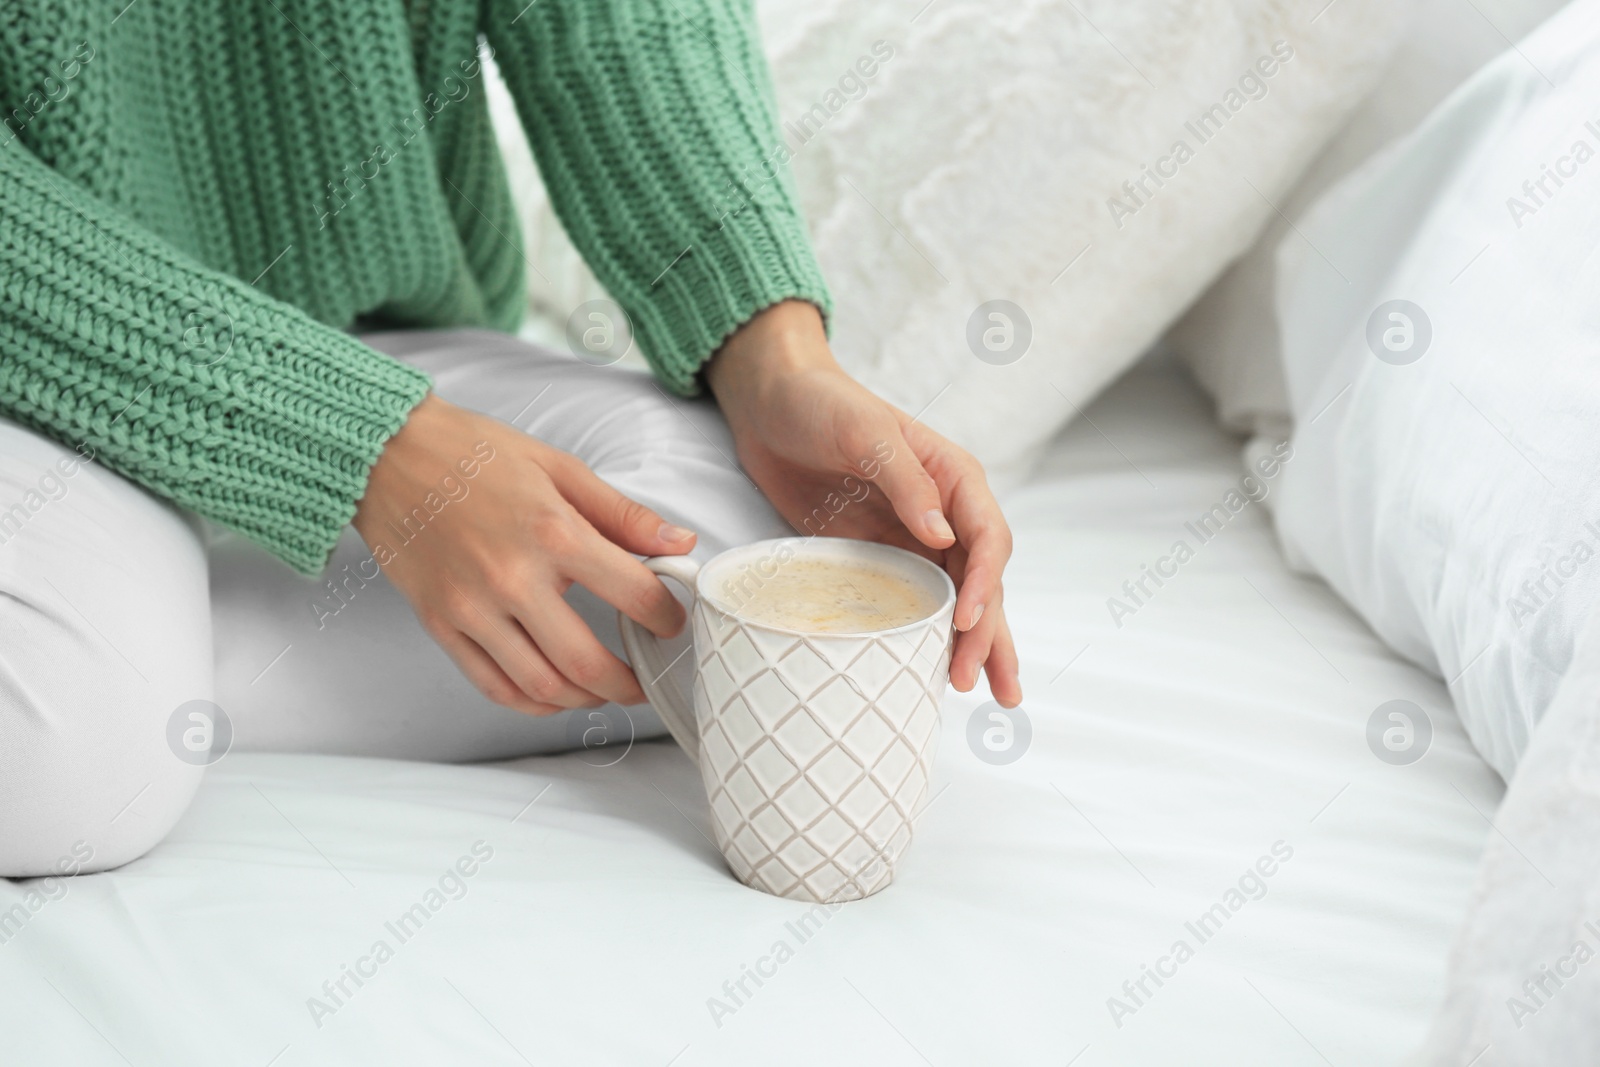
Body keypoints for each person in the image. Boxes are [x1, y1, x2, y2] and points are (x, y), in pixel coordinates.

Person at [0, 0, 1019, 876]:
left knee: (768, 550)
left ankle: (126, 660)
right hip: (35, 367)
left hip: (381, 334)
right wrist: (359, 449)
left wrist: (776, 362)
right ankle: (117, 681)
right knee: (72, 767)